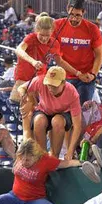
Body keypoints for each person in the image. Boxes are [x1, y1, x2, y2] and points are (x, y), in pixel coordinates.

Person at [12, 12, 87, 140]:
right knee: (27, 113)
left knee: (40, 117)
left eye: (48, 35)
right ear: (36, 31)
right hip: (25, 79)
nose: (44, 39)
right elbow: (19, 50)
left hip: (41, 81)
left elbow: (60, 62)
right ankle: (27, 143)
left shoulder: (54, 43)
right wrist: (33, 61)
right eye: (41, 35)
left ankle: (40, 147)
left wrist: (77, 73)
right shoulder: (31, 38)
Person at [18, 66, 82, 159]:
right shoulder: (40, 80)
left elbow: (77, 126)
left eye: (54, 85)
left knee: (57, 121)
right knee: (39, 121)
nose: (50, 88)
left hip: (62, 114)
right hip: (44, 110)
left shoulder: (72, 92)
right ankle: (42, 156)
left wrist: (70, 151)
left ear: (63, 82)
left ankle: (54, 157)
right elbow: (21, 88)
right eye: (48, 84)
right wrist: (25, 97)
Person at [54, 1, 102, 105]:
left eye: (78, 15)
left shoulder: (92, 29)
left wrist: (93, 74)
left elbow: (99, 55)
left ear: (84, 12)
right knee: (64, 109)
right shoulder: (57, 26)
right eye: (71, 15)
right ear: (67, 10)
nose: (74, 19)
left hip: (86, 77)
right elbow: (57, 58)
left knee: (82, 108)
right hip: (65, 76)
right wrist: (77, 73)